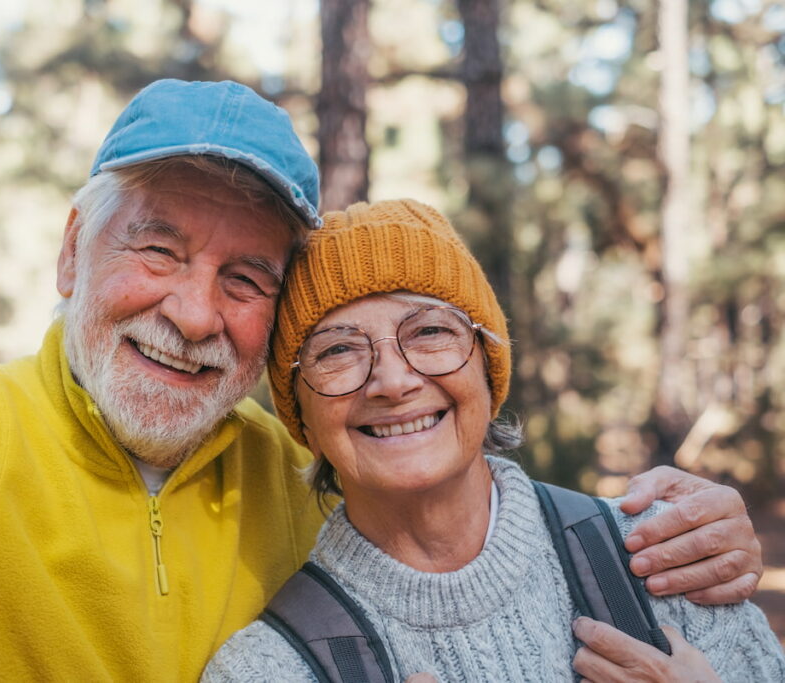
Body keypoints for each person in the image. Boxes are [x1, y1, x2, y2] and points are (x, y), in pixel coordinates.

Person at [0, 81, 766, 681]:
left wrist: (699, 523)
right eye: (157, 248)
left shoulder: (304, 476)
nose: (196, 313)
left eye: (245, 279)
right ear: (73, 251)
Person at [202, 198, 784, 682]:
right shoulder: (266, 668)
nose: (393, 381)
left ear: (488, 365)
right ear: (298, 411)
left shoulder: (664, 562)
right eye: (337, 351)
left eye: (429, 331)